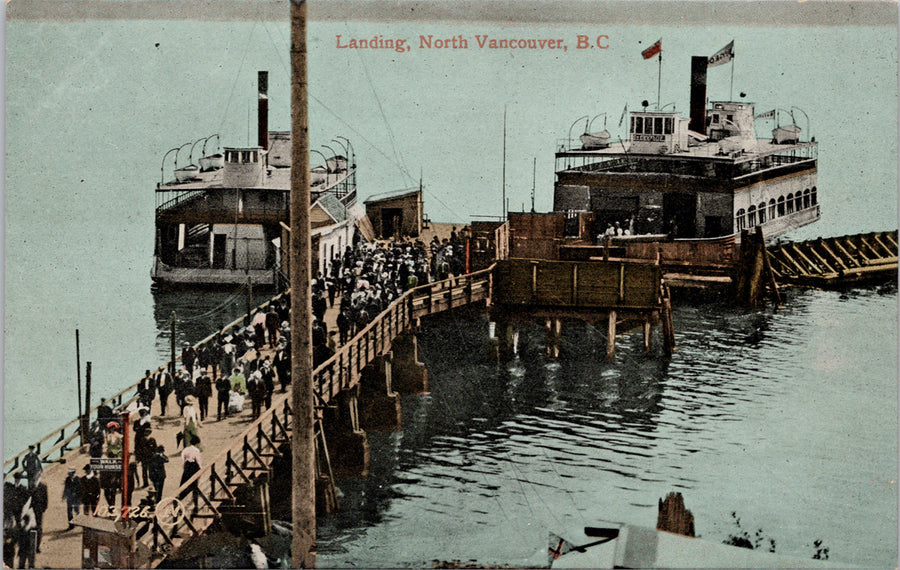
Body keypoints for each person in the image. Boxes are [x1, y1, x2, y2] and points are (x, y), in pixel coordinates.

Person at [27, 474, 47, 553]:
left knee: (38, 528)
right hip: (31, 510)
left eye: (36, 478)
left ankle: (37, 546)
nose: (35, 479)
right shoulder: (31, 487)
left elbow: (45, 499)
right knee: (31, 527)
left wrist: (43, 509)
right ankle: (31, 545)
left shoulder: (43, 487)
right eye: (34, 478)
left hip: (39, 510)